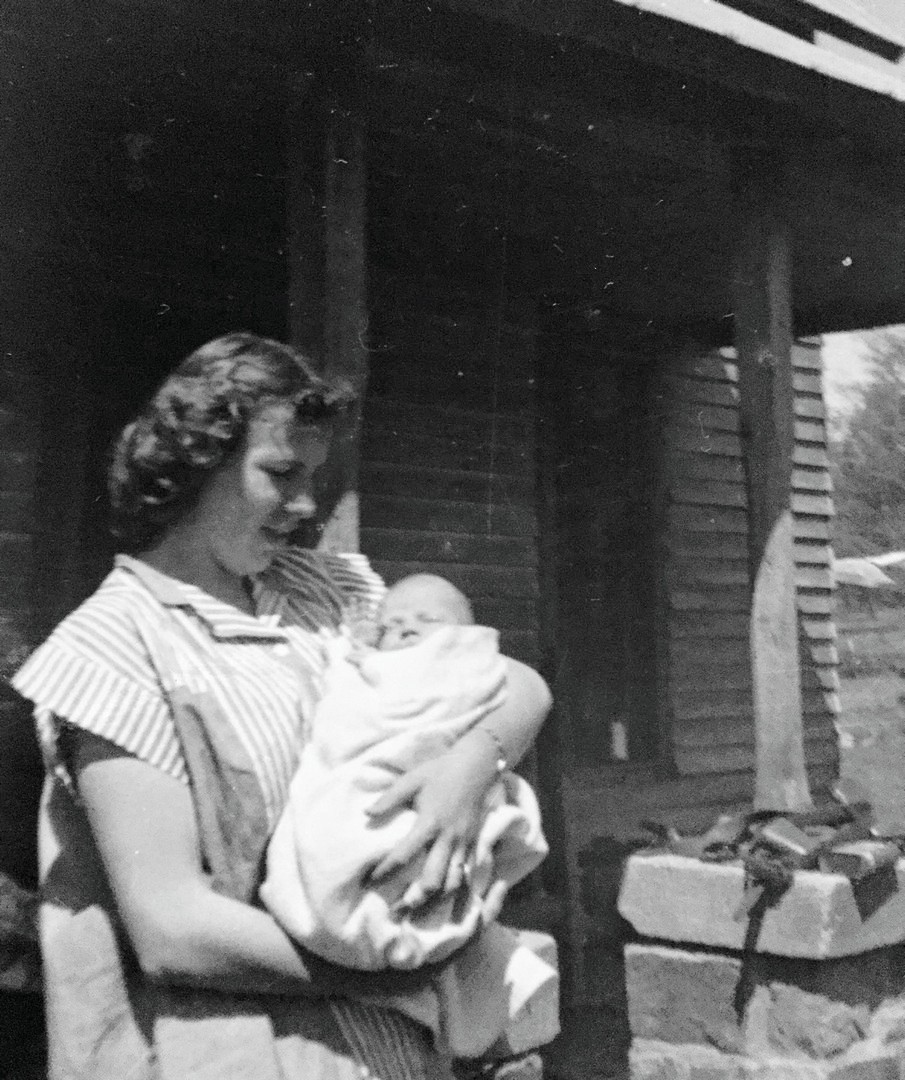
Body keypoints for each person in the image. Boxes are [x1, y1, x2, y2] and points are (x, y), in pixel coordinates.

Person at [10, 332, 553, 1080]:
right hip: (241, 1051)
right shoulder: (116, 646)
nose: (304, 505)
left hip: (393, 1049)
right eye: (279, 473)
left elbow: (516, 683)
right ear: (197, 461)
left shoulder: (324, 593)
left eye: (313, 478)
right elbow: (173, 931)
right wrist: (411, 966)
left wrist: (471, 764)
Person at [261, 572, 557, 1059]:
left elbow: (524, 686)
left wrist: (470, 763)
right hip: (363, 786)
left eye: (427, 620)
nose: (404, 628)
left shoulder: (353, 586)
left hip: (436, 783)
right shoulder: (365, 653)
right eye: (393, 624)